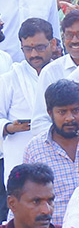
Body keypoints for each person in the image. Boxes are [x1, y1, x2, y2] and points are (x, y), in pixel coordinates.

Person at [22, 80, 79, 228]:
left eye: (75, 111)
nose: (70, 118)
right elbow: (25, 196)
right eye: (62, 112)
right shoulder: (36, 149)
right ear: (50, 112)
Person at [0, 18, 53, 165]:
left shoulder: (61, 73)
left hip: (55, 159)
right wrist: (9, 127)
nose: (34, 54)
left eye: (40, 47)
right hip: (19, 160)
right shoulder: (10, 78)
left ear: (52, 43)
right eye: (28, 49)